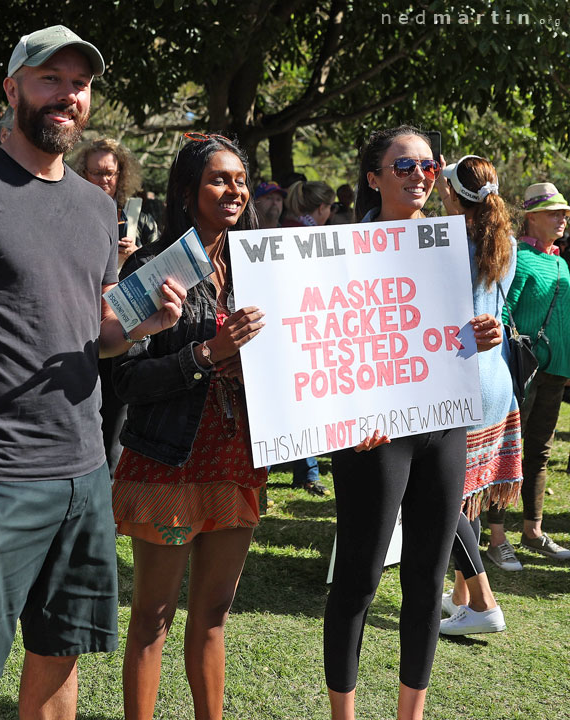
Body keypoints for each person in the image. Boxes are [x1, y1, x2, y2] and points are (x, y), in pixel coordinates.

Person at [0, 25, 185, 719]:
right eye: (50, 79)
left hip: (86, 473)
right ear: (12, 90)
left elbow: (90, 336)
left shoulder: (98, 209)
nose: (68, 96)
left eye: (79, 84)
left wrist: (139, 328)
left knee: (61, 657)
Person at [323, 126, 502, 720]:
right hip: (371, 435)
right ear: (373, 177)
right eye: (404, 166)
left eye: (428, 166)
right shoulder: (342, 248)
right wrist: (351, 413)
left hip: (443, 428)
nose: (420, 176)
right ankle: (343, 714)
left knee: (426, 579)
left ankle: (411, 714)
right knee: (359, 577)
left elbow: (446, 337)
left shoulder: (454, 245)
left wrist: (478, 336)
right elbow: (325, 346)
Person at [112, 133, 265, 720]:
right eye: (218, 179)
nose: (234, 190)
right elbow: (125, 379)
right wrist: (206, 354)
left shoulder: (259, 267)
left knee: (214, 614)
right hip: (169, 460)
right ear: (187, 191)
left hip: (235, 459)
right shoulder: (153, 267)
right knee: (153, 615)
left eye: (239, 180)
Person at [433, 155, 521, 635]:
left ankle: (484, 605)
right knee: (465, 493)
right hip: (495, 378)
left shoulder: (449, 243)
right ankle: (461, 597)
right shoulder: (503, 241)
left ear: (453, 195)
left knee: (444, 497)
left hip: (460, 377)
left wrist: (443, 203)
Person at [485, 182, 570, 568]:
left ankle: (533, 531)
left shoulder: (561, 261)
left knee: (540, 451)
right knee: (509, 451)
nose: (563, 218)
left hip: (556, 370)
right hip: (523, 369)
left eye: (565, 213)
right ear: (532, 216)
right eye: (555, 212)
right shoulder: (517, 256)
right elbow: (503, 313)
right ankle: (497, 536)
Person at [75, 137, 159, 475]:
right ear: (82, 172)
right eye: (96, 173)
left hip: (127, 321)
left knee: (118, 404)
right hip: (84, 317)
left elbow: (158, 267)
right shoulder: (74, 210)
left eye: (110, 173)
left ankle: (111, 478)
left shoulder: (139, 216)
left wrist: (134, 257)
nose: (104, 180)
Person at [254, 179, 329, 495]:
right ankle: (264, 480)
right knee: (278, 406)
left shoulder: (290, 230)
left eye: (278, 198)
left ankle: (307, 472)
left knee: (301, 402)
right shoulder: (262, 235)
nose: (274, 203)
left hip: (300, 326)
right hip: (276, 331)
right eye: (267, 198)